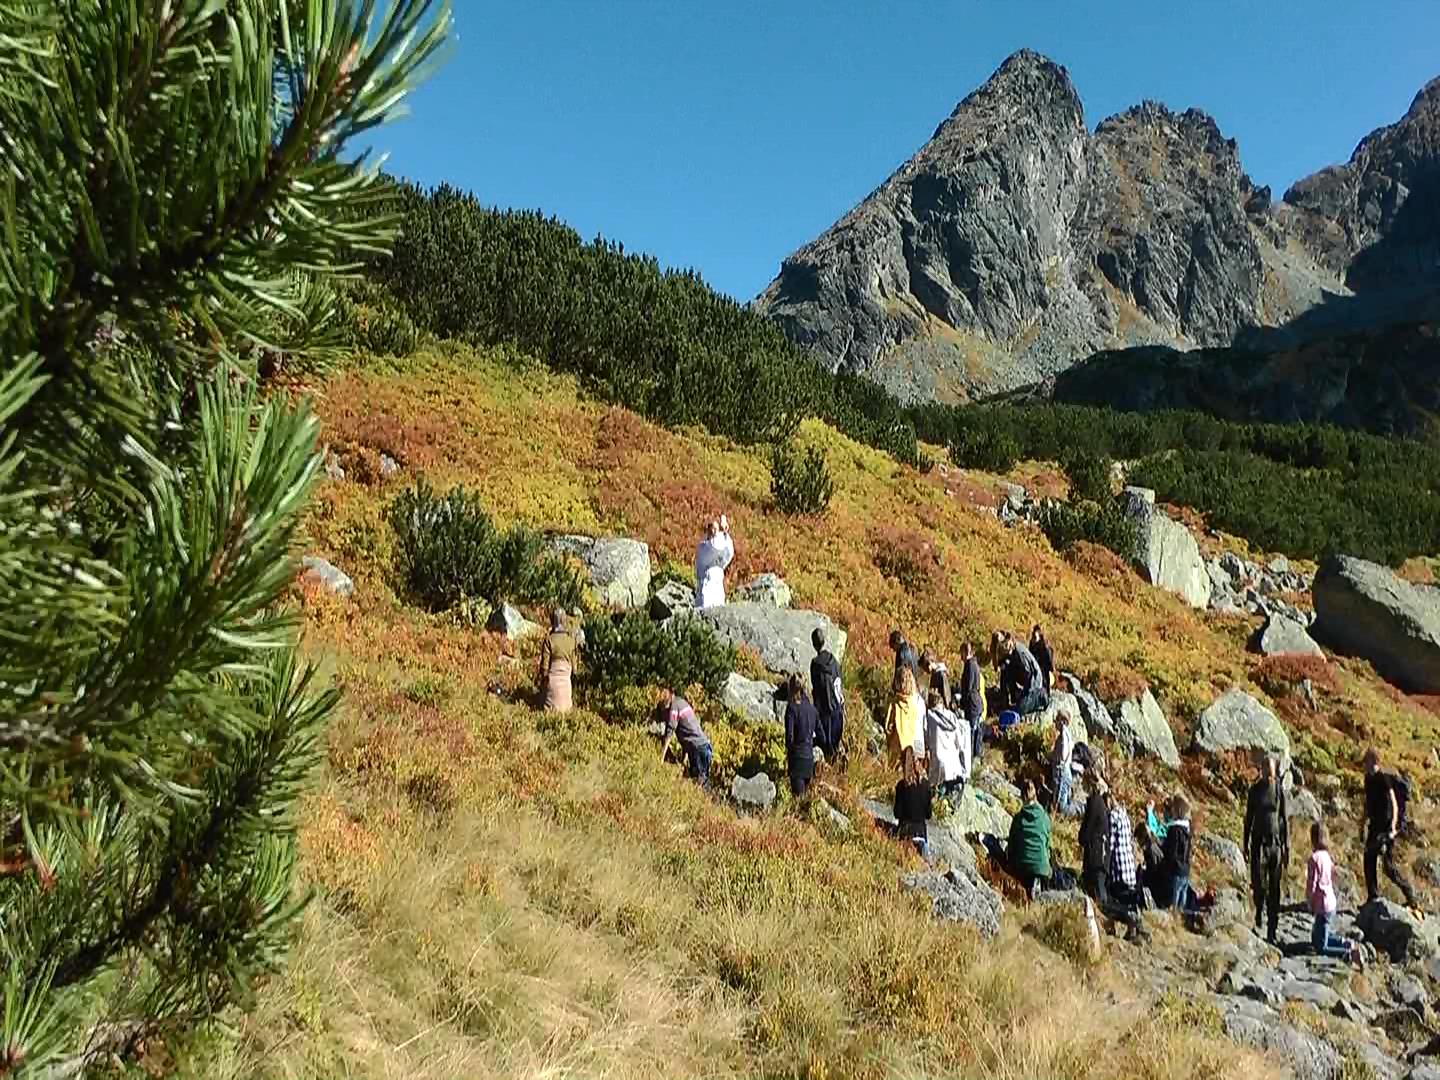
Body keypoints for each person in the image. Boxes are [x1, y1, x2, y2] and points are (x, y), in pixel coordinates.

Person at [1080, 775, 1149, 941]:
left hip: (1118, 871)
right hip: (1129, 869)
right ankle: (1132, 925)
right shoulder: (1124, 815)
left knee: (1105, 901)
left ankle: (1130, 919)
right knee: (1109, 899)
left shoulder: (1112, 816)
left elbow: (1108, 846)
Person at [1361, 747, 1419, 908]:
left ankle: (1409, 894)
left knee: (1388, 866)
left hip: (1386, 828)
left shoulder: (1383, 779)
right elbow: (1368, 803)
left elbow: (1393, 804)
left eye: (1366, 760)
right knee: (1368, 858)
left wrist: (1393, 828)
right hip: (1374, 826)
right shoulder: (1368, 779)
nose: (1364, 764)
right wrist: (1362, 823)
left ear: (1373, 760)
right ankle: (1372, 896)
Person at [1243, 752, 1290, 944]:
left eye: (1272, 771)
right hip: (1259, 842)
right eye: (1266, 770)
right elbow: (1248, 818)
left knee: (1275, 887)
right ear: (1261, 770)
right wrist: (1244, 843)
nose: (1269, 774)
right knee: (1259, 882)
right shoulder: (1254, 791)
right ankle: (1259, 912)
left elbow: (1285, 819)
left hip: (1275, 843)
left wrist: (1287, 846)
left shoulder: (1279, 790)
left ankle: (1273, 927)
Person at [1307, 821, 1364, 966]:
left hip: (1322, 905)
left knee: (1321, 947)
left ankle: (1348, 953)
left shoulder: (1314, 859)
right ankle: (1346, 943)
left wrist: (1310, 901)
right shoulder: (1327, 856)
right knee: (1319, 937)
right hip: (1331, 903)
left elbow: (1312, 884)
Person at [994, 779, 1052, 900]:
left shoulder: (1018, 819)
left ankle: (1026, 889)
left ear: (1022, 796)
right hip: (1042, 867)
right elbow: (1048, 846)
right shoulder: (1045, 818)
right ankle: (1038, 886)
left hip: (1022, 867)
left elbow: (1012, 846)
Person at [657, 687, 712, 789]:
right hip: (703, 746)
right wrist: (683, 760)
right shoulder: (681, 702)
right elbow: (686, 735)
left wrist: (660, 759)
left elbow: (670, 732)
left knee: (698, 785)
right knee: (701, 783)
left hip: (697, 749)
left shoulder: (674, 707)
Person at [924, 690, 970, 800]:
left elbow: (926, 737)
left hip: (938, 760)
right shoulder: (952, 717)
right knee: (949, 793)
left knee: (938, 792)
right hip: (953, 761)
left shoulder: (929, 717)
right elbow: (959, 742)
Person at [810, 628, 845, 760]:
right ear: (824, 641)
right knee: (835, 746)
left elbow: (816, 689)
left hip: (824, 711)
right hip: (837, 709)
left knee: (827, 748)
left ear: (814, 644)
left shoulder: (815, 664)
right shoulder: (834, 661)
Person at [1154, 794, 1194, 911]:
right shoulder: (1187, 829)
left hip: (1175, 869)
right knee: (1183, 898)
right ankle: (1181, 919)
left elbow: (1171, 851)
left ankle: (1174, 920)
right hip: (1186, 869)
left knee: (1173, 902)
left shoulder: (1174, 830)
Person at [783, 673, 819, 797]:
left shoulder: (791, 709)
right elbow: (821, 735)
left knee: (797, 799)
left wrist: (790, 751)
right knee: (805, 800)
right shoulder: (812, 709)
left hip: (797, 759)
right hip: (809, 759)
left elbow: (789, 737)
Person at [894, 747, 933, 859]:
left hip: (905, 831)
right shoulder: (926, 786)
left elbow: (897, 813)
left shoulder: (902, 785)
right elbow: (928, 814)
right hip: (921, 833)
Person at [996, 632, 1047, 716]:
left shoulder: (1020, 654)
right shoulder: (1008, 652)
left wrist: (1024, 695)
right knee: (1005, 671)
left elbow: (1030, 675)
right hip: (1021, 674)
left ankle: (1040, 696)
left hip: (1034, 681)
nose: (1005, 648)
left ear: (1011, 642)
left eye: (1007, 646)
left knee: (1021, 709)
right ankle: (1010, 699)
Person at [538, 609, 577, 713]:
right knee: (567, 710)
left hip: (552, 686)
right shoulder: (571, 641)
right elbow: (575, 670)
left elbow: (544, 669)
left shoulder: (549, 640)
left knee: (548, 707)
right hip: (566, 689)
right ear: (564, 621)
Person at [885, 666, 924, 767]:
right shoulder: (917, 703)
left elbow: (888, 727)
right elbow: (921, 727)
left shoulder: (894, 704)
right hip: (914, 747)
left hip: (897, 751)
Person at [694, 516, 734, 609]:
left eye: (716, 529)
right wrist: (722, 531)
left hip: (718, 586)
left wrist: (725, 532)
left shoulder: (719, 544)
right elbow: (714, 546)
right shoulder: (703, 547)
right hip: (707, 587)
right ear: (708, 531)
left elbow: (729, 552)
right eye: (713, 529)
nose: (715, 532)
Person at [958, 641, 987, 764]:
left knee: (970, 733)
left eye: (961, 653)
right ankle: (975, 757)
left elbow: (968, 687)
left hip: (972, 704)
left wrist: (962, 701)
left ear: (966, 652)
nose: (961, 657)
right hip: (977, 702)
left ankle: (970, 761)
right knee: (975, 732)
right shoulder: (975, 664)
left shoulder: (969, 665)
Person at [1049, 712, 1080, 817]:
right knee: (1063, 801)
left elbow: (1064, 752)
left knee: (1061, 806)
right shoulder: (1068, 734)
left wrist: (1059, 761)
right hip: (1065, 772)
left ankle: (1081, 810)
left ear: (1062, 721)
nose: (1055, 723)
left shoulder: (1063, 735)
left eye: (1057, 720)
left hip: (1061, 772)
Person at [1029, 624, 1055, 695]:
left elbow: (1049, 657)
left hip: (1043, 665)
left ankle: (1046, 694)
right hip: (1036, 664)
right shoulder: (1032, 643)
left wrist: (1051, 667)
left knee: (1044, 680)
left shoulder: (1044, 645)